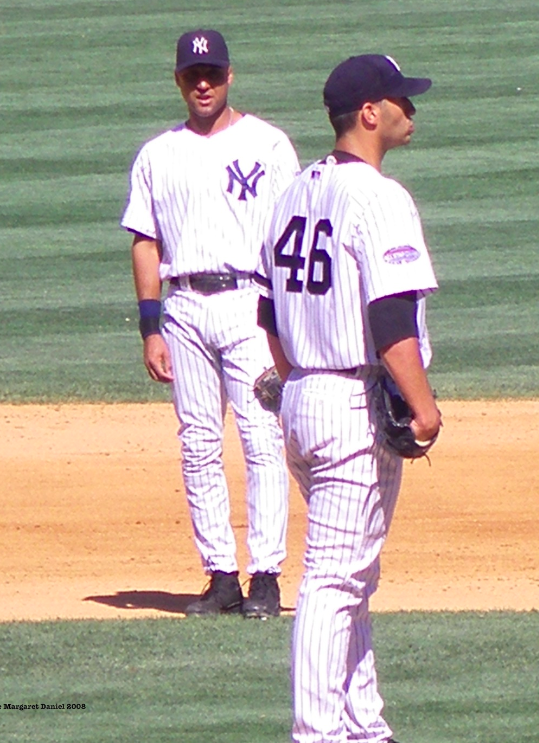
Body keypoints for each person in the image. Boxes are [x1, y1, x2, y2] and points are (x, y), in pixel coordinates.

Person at [255, 54, 441, 741]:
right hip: (348, 404)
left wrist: (298, 380)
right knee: (333, 582)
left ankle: (364, 725)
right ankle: (317, 732)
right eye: (400, 100)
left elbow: (267, 311)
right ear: (369, 113)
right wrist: (421, 406)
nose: (409, 111)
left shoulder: (292, 192)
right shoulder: (378, 197)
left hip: (302, 396)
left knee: (353, 572)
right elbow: (390, 321)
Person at [121, 29, 300, 619]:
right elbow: (146, 243)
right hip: (185, 308)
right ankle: (221, 575)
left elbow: (289, 238)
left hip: (250, 304)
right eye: (192, 75)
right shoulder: (157, 155)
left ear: (230, 76)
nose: (203, 83)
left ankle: (267, 576)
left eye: (213, 73)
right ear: (178, 80)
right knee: (198, 444)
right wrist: (151, 326)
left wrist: (284, 319)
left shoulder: (269, 145)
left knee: (262, 438)